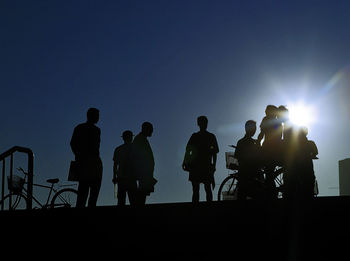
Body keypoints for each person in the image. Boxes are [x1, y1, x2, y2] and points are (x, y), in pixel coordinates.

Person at [70, 108, 103, 207]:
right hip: (93, 163)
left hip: (85, 162)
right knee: (92, 192)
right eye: (97, 115)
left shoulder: (80, 128)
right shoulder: (96, 130)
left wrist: (78, 156)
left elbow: (72, 143)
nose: (98, 118)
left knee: (83, 192)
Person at [182, 116, 219, 203]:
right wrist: (214, 165)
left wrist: (185, 161)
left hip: (198, 166)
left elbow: (188, 150)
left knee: (199, 189)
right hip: (202, 165)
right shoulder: (210, 136)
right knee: (203, 189)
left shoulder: (196, 136)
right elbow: (214, 153)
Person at [257, 105, 282, 199]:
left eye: (266, 111)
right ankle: (270, 193)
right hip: (273, 149)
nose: (265, 113)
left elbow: (261, 133)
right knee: (268, 172)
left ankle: (272, 194)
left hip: (268, 149)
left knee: (268, 173)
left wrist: (258, 142)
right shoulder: (278, 122)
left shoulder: (266, 120)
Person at [234, 120, 263, 200]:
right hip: (252, 174)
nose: (254, 130)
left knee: (242, 195)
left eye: (255, 128)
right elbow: (259, 156)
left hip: (243, 173)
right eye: (253, 128)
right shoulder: (255, 143)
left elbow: (237, 156)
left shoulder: (240, 142)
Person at [132, 122, 156, 205]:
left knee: (143, 192)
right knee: (142, 192)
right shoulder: (140, 139)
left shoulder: (142, 139)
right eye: (151, 129)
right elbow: (138, 157)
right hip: (143, 172)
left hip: (145, 172)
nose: (152, 131)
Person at [113, 130, 137, 206]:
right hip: (131, 177)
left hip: (121, 178)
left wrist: (114, 177)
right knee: (133, 200)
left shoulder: (118, 149)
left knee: (121, 201)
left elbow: (115, 165)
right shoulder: (135, 148)